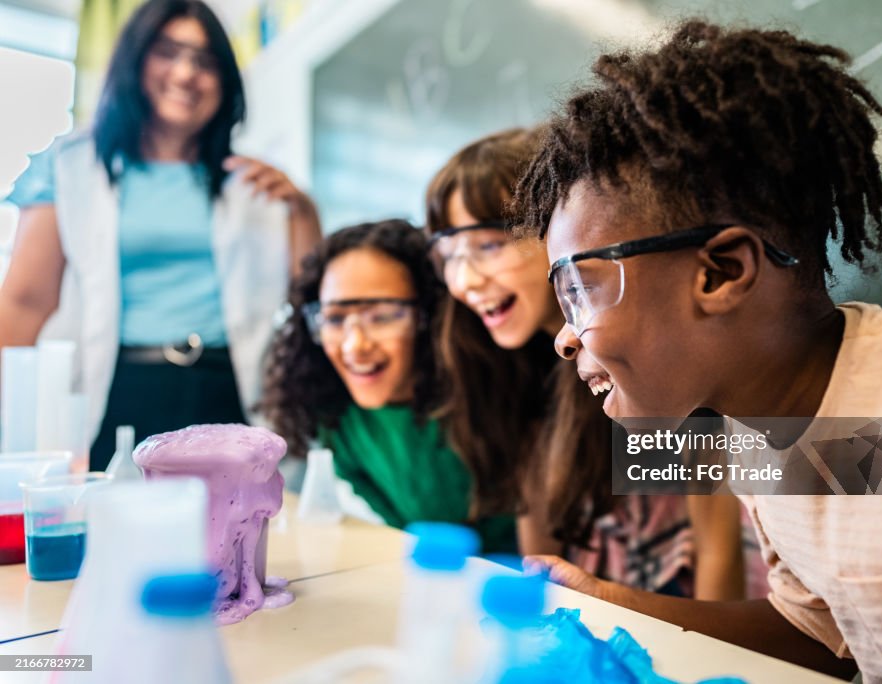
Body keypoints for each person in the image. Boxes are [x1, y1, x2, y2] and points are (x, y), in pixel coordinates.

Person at [514, 19, 882, 682]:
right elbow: (822, 632)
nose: (562, 335)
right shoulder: (758, 438)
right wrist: (610, 601)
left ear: (721, 273)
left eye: (580, 288)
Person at [426, 127, 745, 599]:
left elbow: (722, 553)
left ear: (560, 229)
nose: (465, 280)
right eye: (448, 255)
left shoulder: (651, 346)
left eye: (489, 245)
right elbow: (540, 551)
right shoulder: (506, 365)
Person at [0, 0, 321, 468]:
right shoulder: (71, 168)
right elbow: (24, 304)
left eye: (205, 61)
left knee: (233, 535)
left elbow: (310, 300)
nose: (186, 73)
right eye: (167, 52)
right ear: (133, 61)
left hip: (226, 391)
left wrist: (303, 210)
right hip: (116, 390)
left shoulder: (254, 182)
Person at [261, 220, 515, 553]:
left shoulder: (495, 392)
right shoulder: (335, 413)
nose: (354, 346)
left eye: (381, 316)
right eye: (335, 319)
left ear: (428, 316)